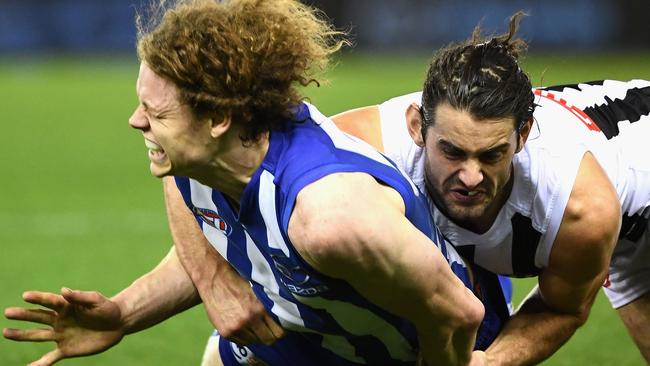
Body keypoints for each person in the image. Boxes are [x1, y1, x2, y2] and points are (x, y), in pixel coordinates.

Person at [3, 1, 511, 365]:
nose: (136, 122)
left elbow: (458, 312)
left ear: (219, 118)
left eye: (154, 111)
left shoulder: (330, 219)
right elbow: (224, 234)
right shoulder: (201, 157)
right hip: (311, 332)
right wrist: (122, 315)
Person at [331, 13, 650, 364]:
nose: (470, 177)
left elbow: (561, 308)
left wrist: (490, 361)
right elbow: (274, 174)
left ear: (523, 135)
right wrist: (257, 286)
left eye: (492, 154)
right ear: (416, 126)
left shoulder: (577, 206)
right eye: (451, 151)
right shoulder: (362, 144)